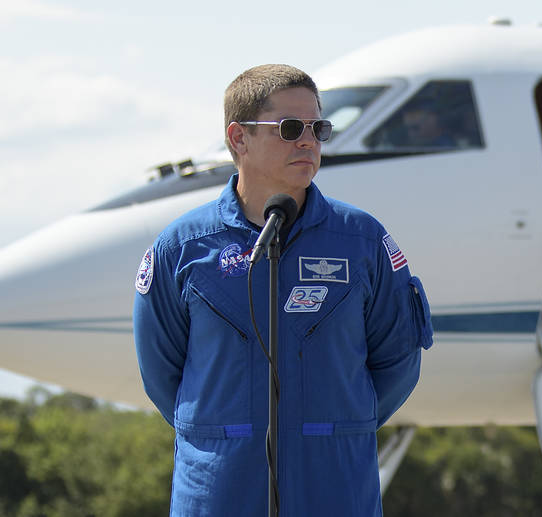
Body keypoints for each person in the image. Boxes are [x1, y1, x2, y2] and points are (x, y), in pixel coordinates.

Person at [133, 64, 433, 516]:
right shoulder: (183, 248)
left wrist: (331, 428)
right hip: (220, 491)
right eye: (290, 128)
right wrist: (226, 432)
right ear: (239, 139)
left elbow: (397, 362)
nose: (308, 141)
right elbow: (162, 375)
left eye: (319, 127)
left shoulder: (363, 241)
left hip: (334, 488)